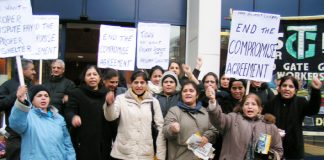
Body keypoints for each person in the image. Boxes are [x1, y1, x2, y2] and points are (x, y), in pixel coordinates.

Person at [104, 70, 166, 160]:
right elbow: (110, 117)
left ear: (146, 84)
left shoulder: (154, 102)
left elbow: (160, 128)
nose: (139, 85)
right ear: (131, 84)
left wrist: (160, 156)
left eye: (142, 82)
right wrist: (109, 105)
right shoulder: (121, 99)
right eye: (136, 82)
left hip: (145, 153)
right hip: (123, 153)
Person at [207, 92, 283, 159]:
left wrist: (270, 156)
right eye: (246, 104)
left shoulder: (269, 126)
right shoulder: (232, 119)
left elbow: (278, 150)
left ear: (260, 109)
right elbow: (217, 119)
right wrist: (213, 102)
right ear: (242, 107)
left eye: (253, 104)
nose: (250, 107)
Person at [9, 85, 75, 160]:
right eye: (39, 96)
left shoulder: (58, 118)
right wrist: (21, 102)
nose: (43, 98)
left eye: (46, 96)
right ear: (32, 100)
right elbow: (16, 125)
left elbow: (67, 143)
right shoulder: (27, 116)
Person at [263, 75, 322, 159]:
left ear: (295, 90)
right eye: (284, 85)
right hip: (272, 150)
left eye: (291, 86)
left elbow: (313, 110)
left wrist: (316, 90)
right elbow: (262, 127)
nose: (287, 89)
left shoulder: (300, 102)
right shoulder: (270, 104)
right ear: (279, 88)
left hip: (294, 152)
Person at [163, 80, 218, 160]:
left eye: (191, 91)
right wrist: (172, 128)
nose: (188, 93)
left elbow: (215, 130)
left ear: (197, 95)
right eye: (185, 91)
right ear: (181, 95)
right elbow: (165, 132)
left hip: (201, 157)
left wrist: (207, 136)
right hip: (179, 157)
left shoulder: (206, 112)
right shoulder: (174, 111)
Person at [65, 65, 108, 160]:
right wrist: (73, 117)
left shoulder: (106, 94)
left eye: (95, 74)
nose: (92, 77)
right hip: (83, 138)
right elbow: (69, 111)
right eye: (89, 75)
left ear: (100, 77)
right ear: (84, 78)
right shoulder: (76, 93)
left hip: (102, 139)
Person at [0, 58, 36, 160]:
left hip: (31, 131)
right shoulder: (7, 85)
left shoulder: (32, 86)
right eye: (32, 69)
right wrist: (16, 95)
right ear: (23, 70)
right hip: (14, 134)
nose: (34, 72)